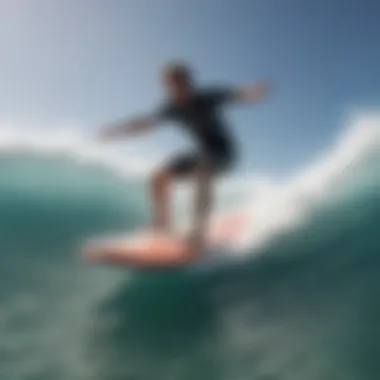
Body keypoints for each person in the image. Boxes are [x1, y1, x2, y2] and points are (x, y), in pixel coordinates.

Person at [99, 61, 270, 256]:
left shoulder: (206, 98)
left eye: (181, 83)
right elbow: (144, 123)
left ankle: (199, 231)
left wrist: (254, 92)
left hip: (224, 153)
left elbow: (237, 94)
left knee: (202, 169)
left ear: (189, 82)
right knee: (158, 177)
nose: (177, 89)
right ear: (167, 86)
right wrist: (116, 131)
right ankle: (163, 224)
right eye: (171, 85)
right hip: (201, 153)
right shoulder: (171, 108)